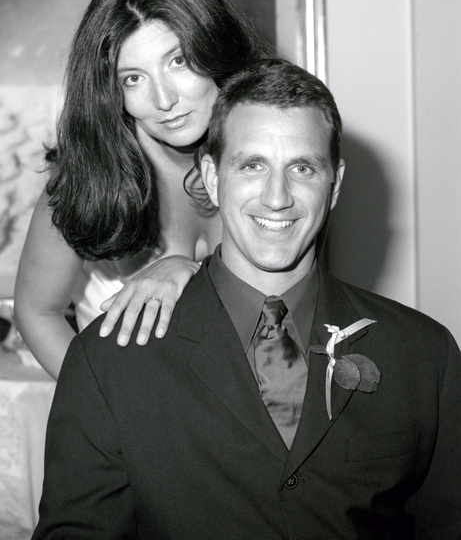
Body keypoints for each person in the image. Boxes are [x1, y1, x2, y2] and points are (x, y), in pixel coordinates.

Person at [32, 59, 461, 539]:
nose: (277, 197)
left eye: (301, 168)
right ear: (212, 178)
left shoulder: (425, 355)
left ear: (335, 184)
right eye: (252, 165)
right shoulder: (107, 362)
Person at [14, 0, 271, 379]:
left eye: (179, 61)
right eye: (133, 78)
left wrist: (191, 272)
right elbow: (36, 311)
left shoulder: (274, 157)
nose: (164, 99)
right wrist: (107, 408)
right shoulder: (90, 176)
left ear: (215, 48)